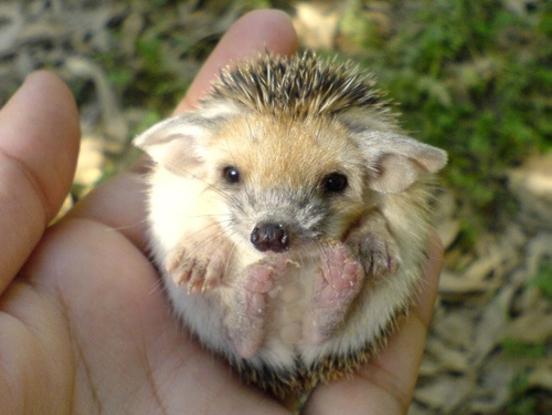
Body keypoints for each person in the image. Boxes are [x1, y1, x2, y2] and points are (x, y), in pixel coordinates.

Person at [0, 9, 443, 415]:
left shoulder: (380, 165)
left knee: (392, 226)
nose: (270, 227)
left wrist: (372, 226)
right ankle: (271, 315)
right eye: (233, 175)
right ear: (188, 150)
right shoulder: (195, 155)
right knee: (190, 227)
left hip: (325, 282)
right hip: (284, 294)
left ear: (386, 166)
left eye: (331, 183)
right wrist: (205, 235)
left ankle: (302, 314)